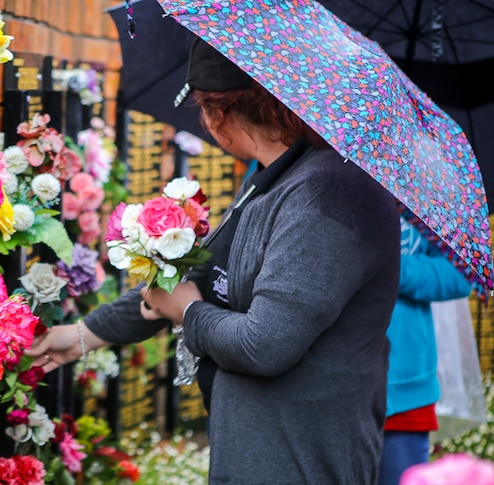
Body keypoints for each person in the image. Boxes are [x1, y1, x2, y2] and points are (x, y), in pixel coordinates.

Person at [27, 39, 401, 484]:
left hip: (299, 455)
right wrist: (83, 335)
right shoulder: (276, 180)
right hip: (255, 446)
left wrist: (187, 313)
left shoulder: (328, 195)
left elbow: (264, 345)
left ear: (217, 115)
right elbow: (199, 277)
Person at [378, 217, 471, 485]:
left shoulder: (423, 191)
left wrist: (390, 265)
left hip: (404, 392)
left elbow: (459, 274)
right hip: (326, 387)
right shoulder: (312, 177)